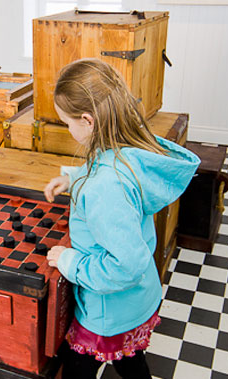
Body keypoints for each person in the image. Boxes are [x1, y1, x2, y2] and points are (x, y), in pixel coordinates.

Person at [43, 59, 199, 378]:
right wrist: (76, 178)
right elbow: (111, 170)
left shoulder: (105, 186)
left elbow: (124, 266)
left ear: (87, 121)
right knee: (130, 362)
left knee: (76, 370)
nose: (68, 130)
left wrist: (70, 261)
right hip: (138, 301)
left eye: (66, 123)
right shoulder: (128, 151)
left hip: (107, 312)